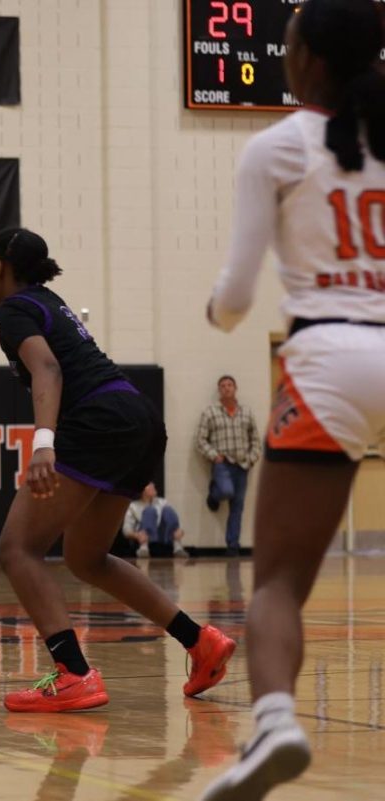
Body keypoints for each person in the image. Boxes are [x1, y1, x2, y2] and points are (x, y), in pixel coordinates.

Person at [0, 224, 235, 712]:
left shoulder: (18, 311)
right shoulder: (41, 301)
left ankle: (75, 674)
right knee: (87, 559)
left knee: (17, 548)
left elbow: (47, 368)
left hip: (97, 419)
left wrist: (44, 442)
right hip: (138, 417)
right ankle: (201, 641)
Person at [202, 1, 385, 798]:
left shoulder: (277, 146)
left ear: (307, 57)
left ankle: (275, 720)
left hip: (327, 361)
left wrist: (216, 311)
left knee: (276, 582)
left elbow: (238, 296)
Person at [195, 375, 261, 555]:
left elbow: (256, 440)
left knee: (237, 507)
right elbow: (200, 440)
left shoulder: (246, 412)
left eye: (230, 385)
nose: (226, 388)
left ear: (235, 388)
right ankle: (214, 496)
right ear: (219, 390)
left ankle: (233, 546)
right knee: (226, 491)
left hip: (242, 465)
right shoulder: (210, 412)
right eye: (223, 385)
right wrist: (214, 456)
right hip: (222, 464)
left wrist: (251, 459)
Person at [122, 482, 187, 557]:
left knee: (168, 510)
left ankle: (177, 547)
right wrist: (137, 535)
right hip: (144, 540)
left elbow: (173, 520)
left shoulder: (163, 502)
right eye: (148, 485)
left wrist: (180, 531)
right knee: (150, 511)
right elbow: (126, 530)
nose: (152, 486)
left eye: (152, 484)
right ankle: (144, 548)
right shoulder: (133, 506)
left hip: (164, 539)